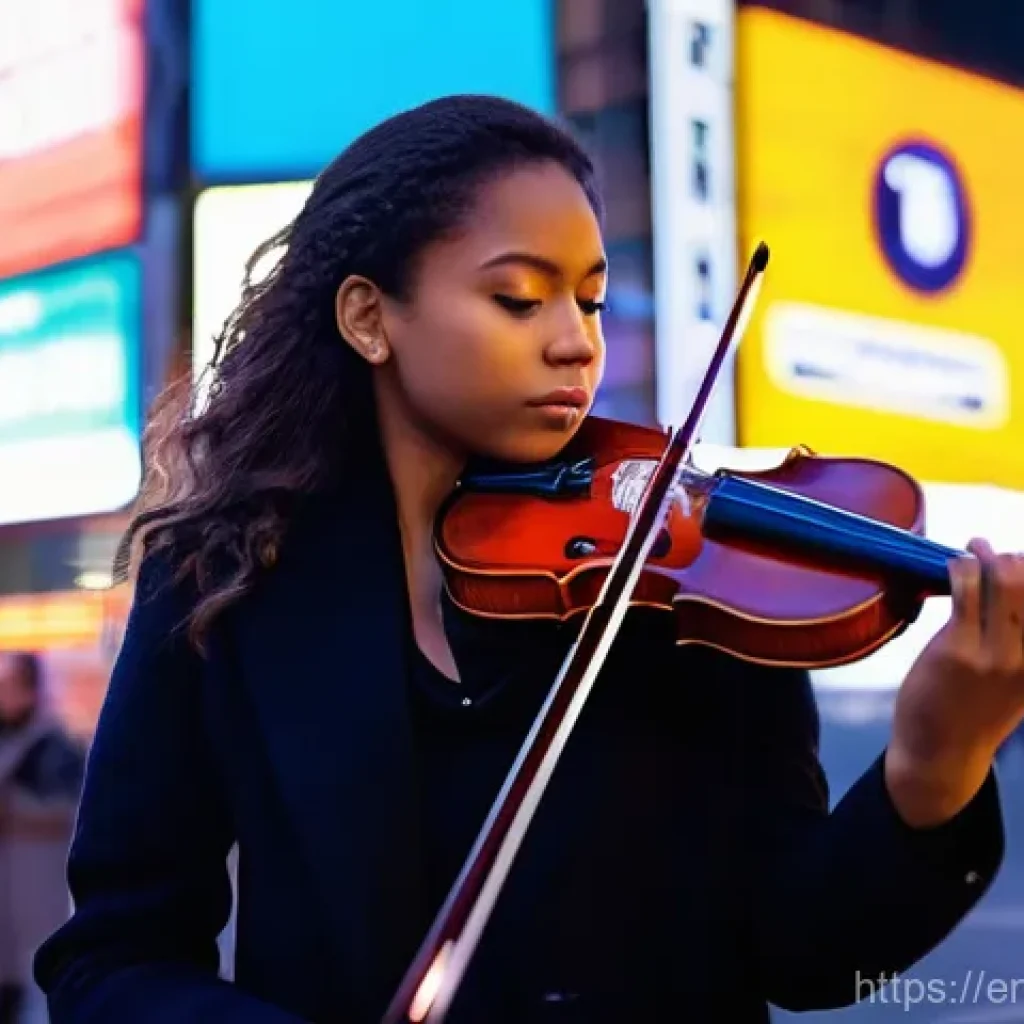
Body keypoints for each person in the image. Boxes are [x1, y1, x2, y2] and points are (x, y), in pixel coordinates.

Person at [31, 94, 1021, 1023]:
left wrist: (933, 767)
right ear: (370, 317)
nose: (573, 346)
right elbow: (113, 960)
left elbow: (804, 952)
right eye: (518, 298)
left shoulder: (691, 575)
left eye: (588, 303)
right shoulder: (223, 582)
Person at [0, 653, 84, 1024]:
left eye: (9, 686)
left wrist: (17, 812)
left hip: (39, 899)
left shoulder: (54, 746)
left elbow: (73, 810)